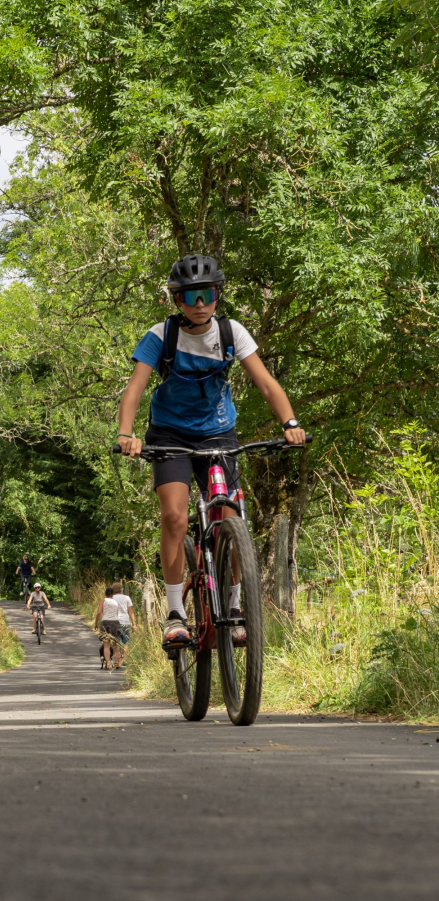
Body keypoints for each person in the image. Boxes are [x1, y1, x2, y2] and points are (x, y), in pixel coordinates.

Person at [115, 254, 305, 647]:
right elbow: (134, 389)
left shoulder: (231, 332)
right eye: (190, 295)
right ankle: (174, 614)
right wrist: (126, 433)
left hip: (219, 434)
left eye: (207, 293)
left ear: (217, 294)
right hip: (169, 435)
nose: (199, 303)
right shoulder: (160, 335)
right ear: (177, 299)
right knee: (174, 517)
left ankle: (235, 608)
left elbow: (266, 383)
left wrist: (290, 423)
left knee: (231, 516)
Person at [94, 586, 122, 669]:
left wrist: (95, 623)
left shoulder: (103, 600)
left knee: (106, 645)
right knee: (116, 645)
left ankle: (108, 663)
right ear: (113, 594)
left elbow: (99, 612)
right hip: (116, 623)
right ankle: (117, 663)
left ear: (105, 593)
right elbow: (117, 613)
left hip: (105, 623)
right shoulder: (116, 602)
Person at [112, 582, 136, 648]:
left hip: (115, 622)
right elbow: (131, 612)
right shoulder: (127, 598)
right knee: (126, 642)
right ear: (121, 589)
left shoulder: (112, 598)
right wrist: (133, 624)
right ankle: (124, 658)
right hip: (125, 621)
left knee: (116, 641)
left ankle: (117, 657)